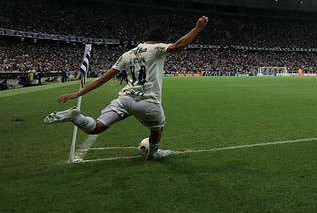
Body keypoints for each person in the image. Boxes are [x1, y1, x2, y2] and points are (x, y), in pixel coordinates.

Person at [43, 16, 209, 160]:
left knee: (97, 127)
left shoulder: (127, 54)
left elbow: (102, 79)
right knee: (157, 128)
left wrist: (78, 93)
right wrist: (198, 28)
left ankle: (75, 117)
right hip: (148, 101)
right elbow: (178, 46)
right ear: (159, 40)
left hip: (125, 99)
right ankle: (153, 153)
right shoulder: (156, 48)